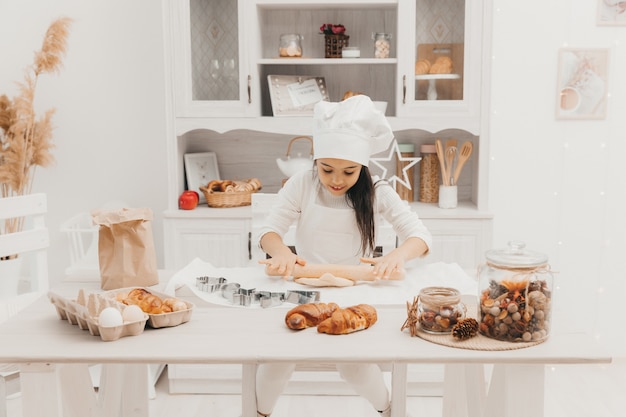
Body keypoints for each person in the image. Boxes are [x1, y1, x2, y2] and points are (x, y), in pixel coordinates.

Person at [255, 94, 432, 417]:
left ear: (362, 167)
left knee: (354, 367)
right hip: (303, 288)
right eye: (327, 170)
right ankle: (259, 413)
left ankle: (388, 410)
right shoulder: (302, 184)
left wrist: (397, 257)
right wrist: (281, 253)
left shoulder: (378, 191)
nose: (337, 180)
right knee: (277, 359)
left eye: (348, 172)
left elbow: (419, 235)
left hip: (356, 290)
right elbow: (269, 230)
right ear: (316, 163)